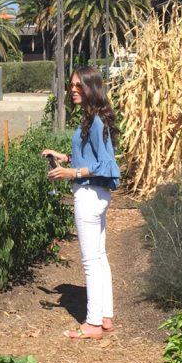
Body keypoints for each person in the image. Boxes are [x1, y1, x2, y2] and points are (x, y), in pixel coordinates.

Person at [42, 66, 120, 340]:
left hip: (88, 195)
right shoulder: (94, 119)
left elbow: (105, 164)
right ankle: (106, 317)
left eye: (79, 86)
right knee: (99, 258)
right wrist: (64, 157)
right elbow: (91, 158)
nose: (73, 90)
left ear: (91, 88)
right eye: (72, 86)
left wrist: (70, 173)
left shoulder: (96, 121)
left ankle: (92, 324)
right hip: (96, 195)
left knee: (90, 261)